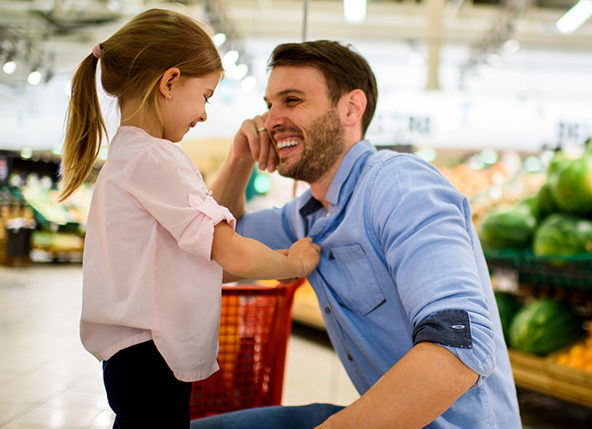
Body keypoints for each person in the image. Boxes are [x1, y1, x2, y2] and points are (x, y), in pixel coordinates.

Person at [195, 40, 521, 428]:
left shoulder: (400, 186)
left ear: (351, 108)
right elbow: (212, 247)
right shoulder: (306, 215)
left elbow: (459, 346)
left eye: (292, 100)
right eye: (269, 105)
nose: (270, 120)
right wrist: (238, 159)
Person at [59, 9, 321, 428]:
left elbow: (179, 266)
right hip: (152, 355)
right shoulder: (158, 157)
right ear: (169, 81)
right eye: (206, 95)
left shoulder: (127, 158)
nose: (203, 114)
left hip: (130, 356)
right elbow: (231, 254)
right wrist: (294, 263)